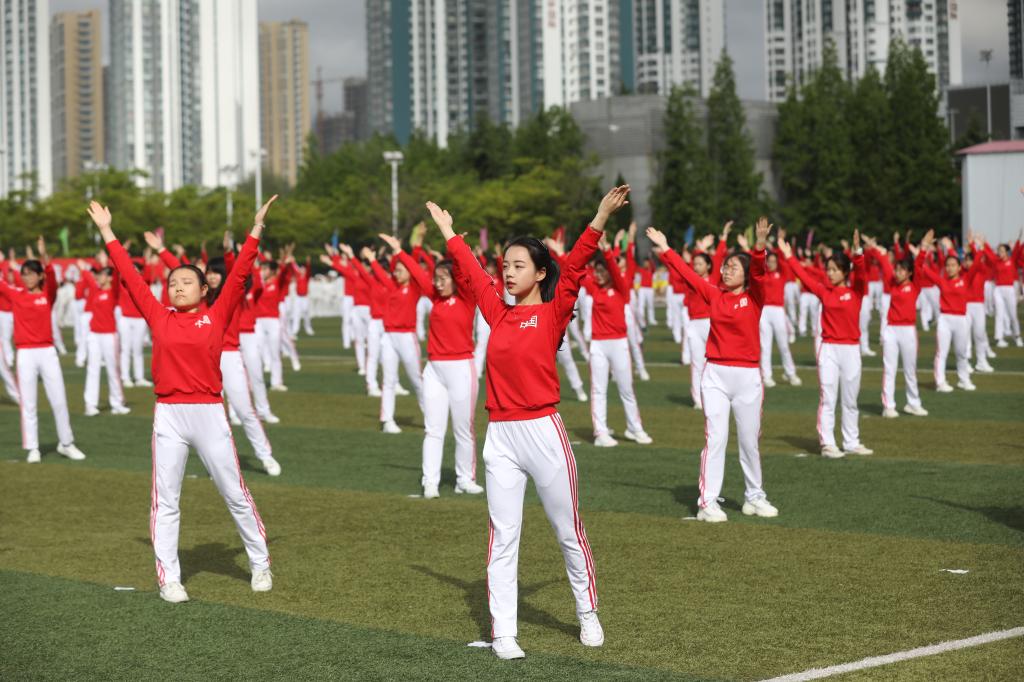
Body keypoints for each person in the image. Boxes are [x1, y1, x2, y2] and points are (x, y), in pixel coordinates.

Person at [423, 187, 630, 660]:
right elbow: (472, 273)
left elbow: (575, 266)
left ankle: (587, 611)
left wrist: (600, 216)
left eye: (518, 266)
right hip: (500, 436)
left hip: (544, 432)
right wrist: (448, 232)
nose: (508, 273)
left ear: (539, 273)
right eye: (505, 266)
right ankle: (504, 633)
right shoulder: (497, 313)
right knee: (503, 537)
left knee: (567, 530)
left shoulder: (554, 312)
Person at [88, 197, 276, 604]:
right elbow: (128, 274)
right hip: (169, 414)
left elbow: (240, 273)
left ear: (205, 289)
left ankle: (260, 563)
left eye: (187, 282)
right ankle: (169, 579)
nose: (178, 286)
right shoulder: (160, 316)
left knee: (235, 494)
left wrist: (256, 228)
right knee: (165, 501)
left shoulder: (218, 314)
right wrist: (107, 231)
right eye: (173, 282)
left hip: (209, 413)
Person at [649, 219, 780, 523]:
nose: (727, 270)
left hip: (748, 377)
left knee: (749, 441)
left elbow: (759, 272)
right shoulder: (714, 294)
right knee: (716, 439)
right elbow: (687, 273)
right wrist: (666, 248)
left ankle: (755, 497)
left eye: (734, 267)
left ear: (746, 275)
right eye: (726, 266)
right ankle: (707, 502)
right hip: (716, 376)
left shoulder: (754, 297)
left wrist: (760, 246)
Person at [397, 243, 483, 497]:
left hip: (461, 369)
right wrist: (399, 251)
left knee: (463, 429)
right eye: (436, 278)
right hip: (434, 369)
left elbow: (464, 271)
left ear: (455, 280)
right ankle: (430, 482)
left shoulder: (467, 298)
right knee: (433, 429)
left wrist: (456, 250)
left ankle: (465, 479)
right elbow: (417, 273)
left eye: (444, 278)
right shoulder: (434, 297)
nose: (438, 282)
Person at [782, 232, 873, 458]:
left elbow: (861, 273)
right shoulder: (824, 291)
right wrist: (789, 257)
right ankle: (827, 443)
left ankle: (851, 442)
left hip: (851, 349)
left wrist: (857, 252)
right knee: (828, 397)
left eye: (834, 270)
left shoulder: (856, 291)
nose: (829, 273)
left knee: (850, 400)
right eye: (828, 269)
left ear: (845, 272)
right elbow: (803, 276)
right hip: (829, 349)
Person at [0, 238, 87, 463]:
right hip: (25, 354)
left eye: (31, 274)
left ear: (40, 276)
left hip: (47, 352)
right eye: (24, 274)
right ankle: (33, 448)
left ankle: (66, 443)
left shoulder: (47, 294)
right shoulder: (16, 293)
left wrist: (44, 255)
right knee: (28, 403)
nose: (26, 277)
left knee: (59, 399)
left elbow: (52, 279)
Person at [585, 234, 652, 447]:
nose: (599, 274)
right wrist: (559, 253)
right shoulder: (593, 288)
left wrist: (607, 251)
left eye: (602, 270)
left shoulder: (621, 288)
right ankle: (600, 433)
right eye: (596, 271)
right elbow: (575, 269)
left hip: (619, 343)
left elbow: (615, 270)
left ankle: (634, 428)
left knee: (626, 389)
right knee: (598, 390)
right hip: (598, 345)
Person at [369, 234, 428, 434]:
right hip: (389, 337)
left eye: (401, 270)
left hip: (406, 337)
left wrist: (408, 249)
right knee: (388, 380)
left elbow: (415, 267)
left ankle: (430, 417)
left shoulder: (414, 288)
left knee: (416, 380)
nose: (396, 272)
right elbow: (380, 274)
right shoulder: (392, 286)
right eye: (395, 270)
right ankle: (387, 421)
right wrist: (372, 260)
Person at [866, 237, 928, 418]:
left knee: (910, 369)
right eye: (897, 269)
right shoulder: (891, 282)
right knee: (890, 368)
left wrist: (923, 248)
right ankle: (888, 406)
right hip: (891, 330)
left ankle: (913, 403)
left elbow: (919, 266)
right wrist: (874, 248)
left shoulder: (915, 286)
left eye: (902, 270)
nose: (897, 272)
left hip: (908, 330)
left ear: (909, 273)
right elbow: (884, 263)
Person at [917, 231, 985, 393]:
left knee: (962, 353)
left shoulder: (966, 279)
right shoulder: (941, 281)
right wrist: (924, 248)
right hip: (945, 320)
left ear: (960, 267)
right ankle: (940, 382)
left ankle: (964, 380)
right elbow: (920, 267)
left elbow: (977, 262)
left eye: (953, 265)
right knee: (942, 353)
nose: (950, 268)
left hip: (961, 320)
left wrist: (976, 246)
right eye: (947, 265)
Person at [78, 260, 130, 416]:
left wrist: (113, 261)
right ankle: (90, 404)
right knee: (92, 369)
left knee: (113, 369)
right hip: (94, 335)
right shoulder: (96, 290)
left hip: (109, 335)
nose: (99, 277)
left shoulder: (113, 291)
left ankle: (117, 403)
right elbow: (89, 279)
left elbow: (117, 275)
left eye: (102, 275)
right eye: (99, 274)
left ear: (109, 278)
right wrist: (84, 269)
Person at [757, 229, 800, 388]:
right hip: (764, 312)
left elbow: (783, 260)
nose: (771, 263)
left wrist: (780, 242)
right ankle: (766, 376)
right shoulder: (762, 275)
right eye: (769, 261)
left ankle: (791, 373)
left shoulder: (782, 274)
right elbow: (757, 260)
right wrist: (762, 244)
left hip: (778, 311)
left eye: (774, 261)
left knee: (783, 344)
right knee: (765, 345)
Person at [982, 236, 1023, 348]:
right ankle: (999, 338)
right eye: (998, 251)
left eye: (1002, 251)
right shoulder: (996, 261)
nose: (999, 253)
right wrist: (983, 244)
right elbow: (988, 254)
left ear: (1007, 252)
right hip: (998, 290)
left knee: (1013, 314)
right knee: (999, 314)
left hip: (1009, 290)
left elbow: (1017, 248)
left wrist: (1020, 237)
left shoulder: (1012, 260)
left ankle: (1017, 337)